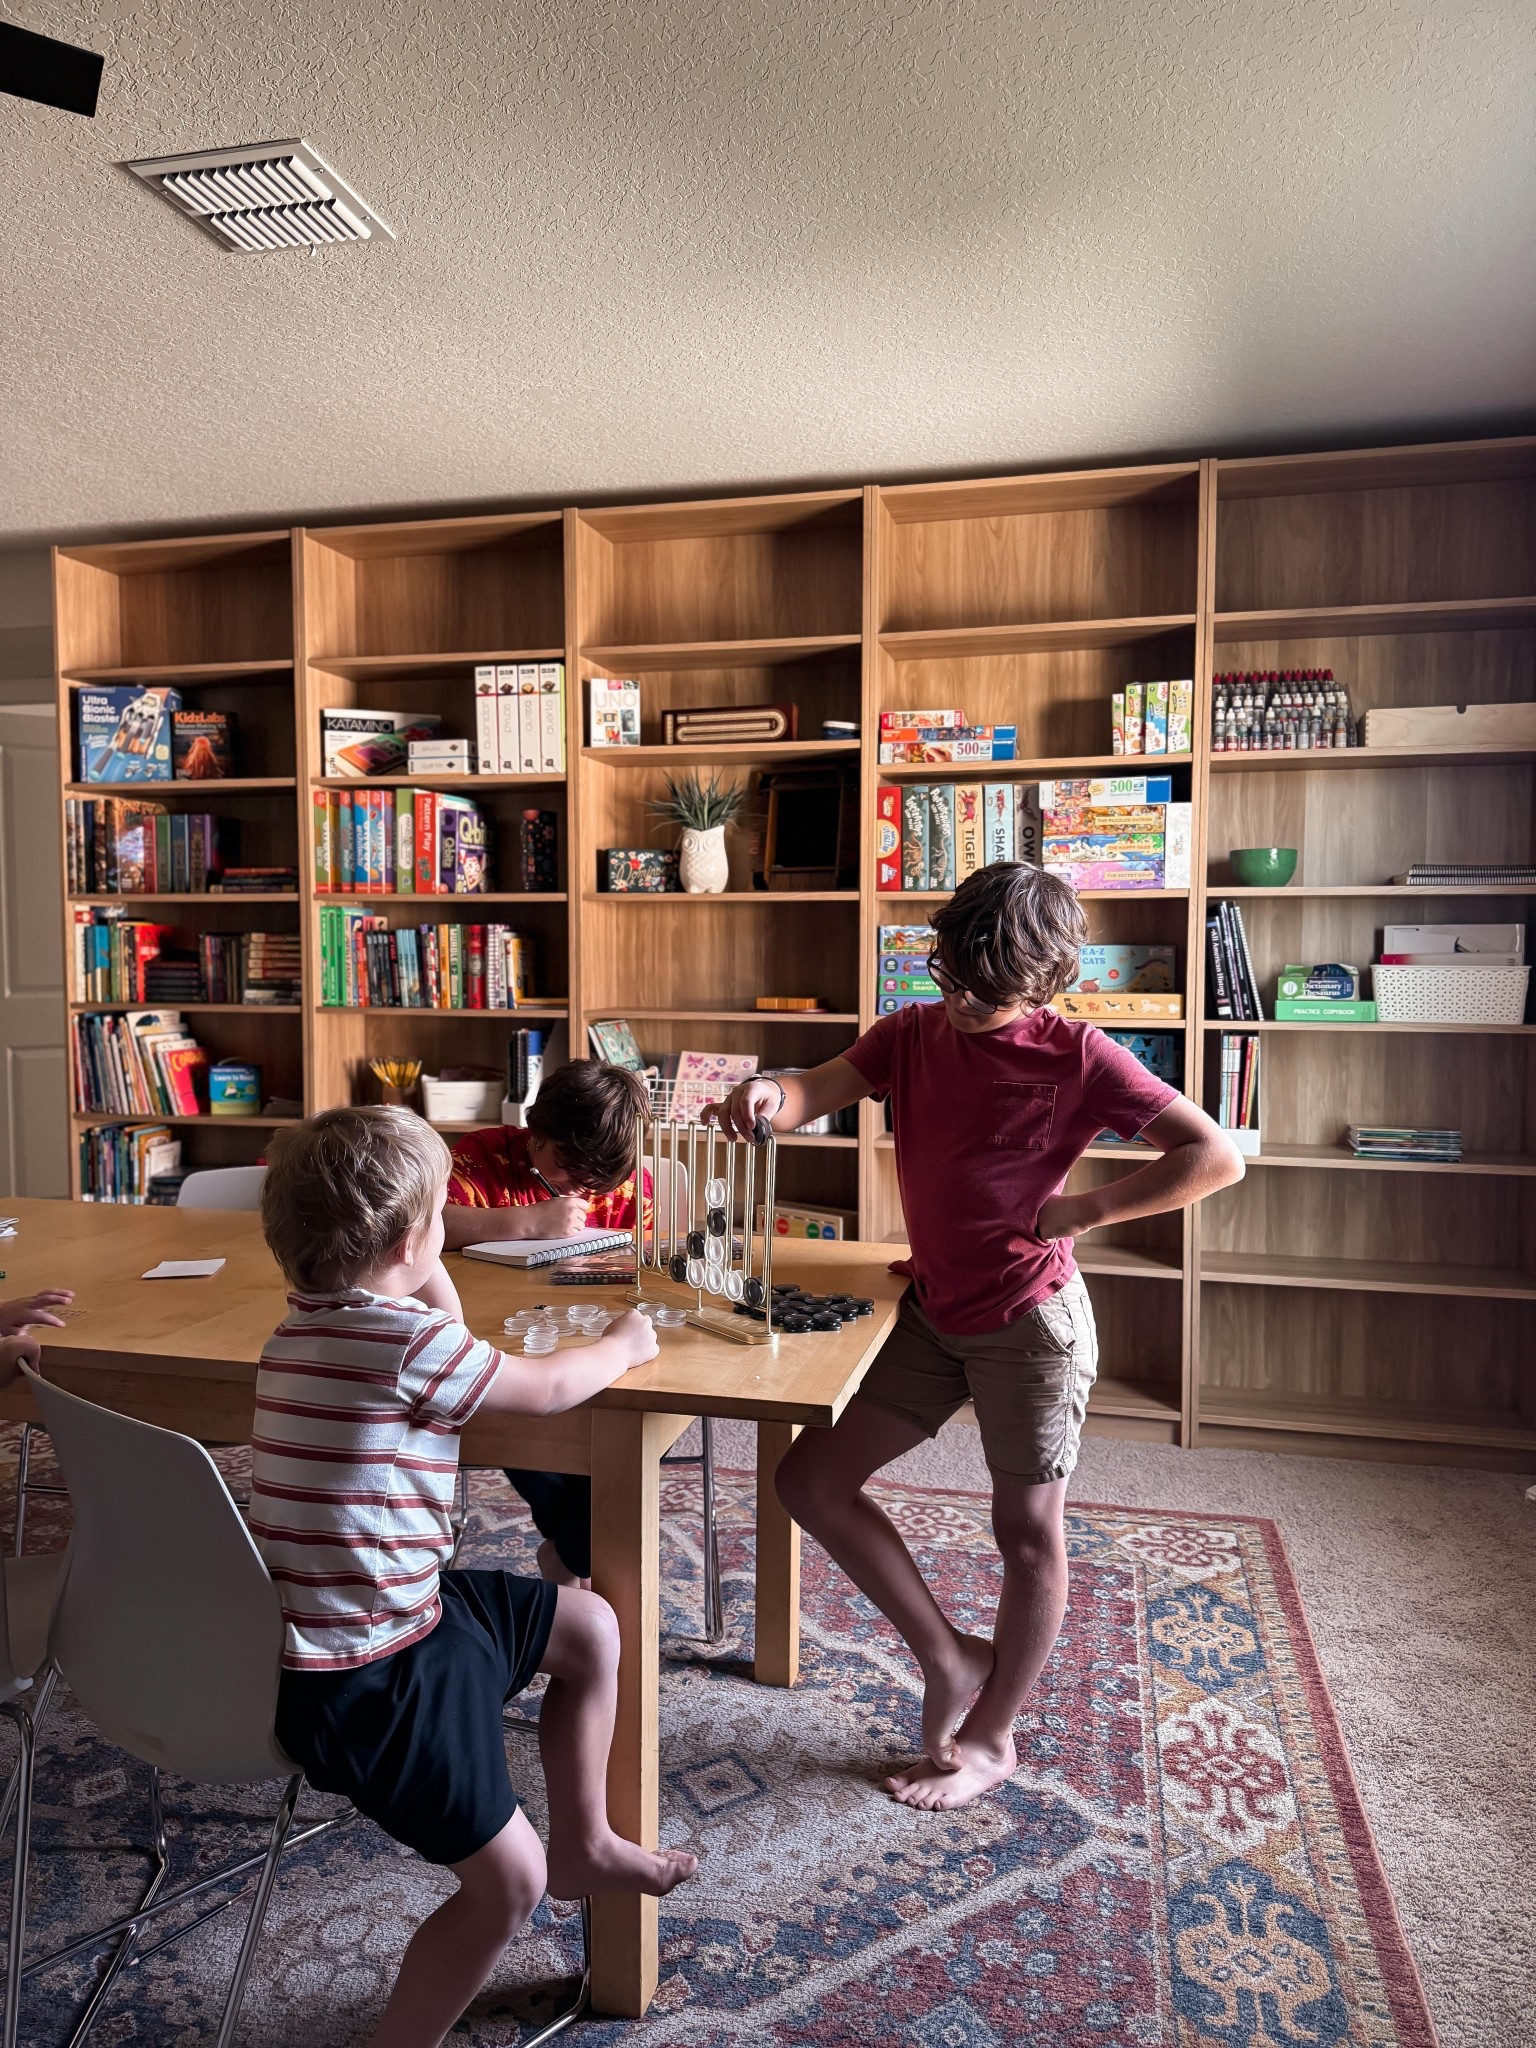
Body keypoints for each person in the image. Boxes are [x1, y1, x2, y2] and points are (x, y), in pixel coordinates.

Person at [707, 862, 1244, 1812]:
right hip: (934, 1308)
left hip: (1031, 1323)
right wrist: (763, 1094)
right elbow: (808, 1090)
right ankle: (949, 1657)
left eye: (985, 995)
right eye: (949, 978)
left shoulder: (1079, 1055)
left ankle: (992, 1737)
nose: (960, 1004)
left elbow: (1215, 1155)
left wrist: (1083, 1209)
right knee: (809, 1480)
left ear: (1042, 985)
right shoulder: (912, 1032)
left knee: (1026, 1534)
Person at [253, 1106, 695, 2048]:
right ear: (419, 1237)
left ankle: (586, 1841)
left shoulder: (307, 1327)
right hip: (370, 1681)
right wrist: (624, 1344)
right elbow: (540, 1392)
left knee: (590, 1629)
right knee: (508, 1886)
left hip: (397, 1616)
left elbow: (446, 1325)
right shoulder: (406, 1346)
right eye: (438, 1222)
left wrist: (425, 1249)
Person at [441, 1059, 652, 1590]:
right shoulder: (480, 1156)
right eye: (568, 1172)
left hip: (605, 1348)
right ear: (535, 1134)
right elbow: (416, 1227)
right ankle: (575, 1554)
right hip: (508, 1346)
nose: (583, 1190)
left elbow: (652, 1277)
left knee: (652, 1415)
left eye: (596, 1182)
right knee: (519, 1409)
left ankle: (567, 1555)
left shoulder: (628, 1185)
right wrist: (525, 1221)